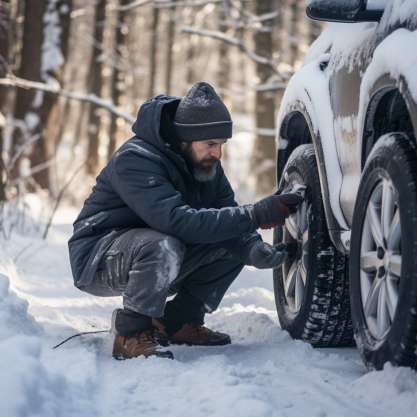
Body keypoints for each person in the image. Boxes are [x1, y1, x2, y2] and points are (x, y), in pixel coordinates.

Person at [68, 81, 303, 360]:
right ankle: (130, 334)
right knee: (163, 244)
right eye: (210, 144)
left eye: (222, 144)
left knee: (231, 236)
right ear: (184, 139)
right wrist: (256, 214)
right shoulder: (135, 160)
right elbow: (176, 222)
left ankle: (178, 322)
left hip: (150, 249)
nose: (217, 153)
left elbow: (227, 212)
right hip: (98, 257)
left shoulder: (205, 165)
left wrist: (252, 249)